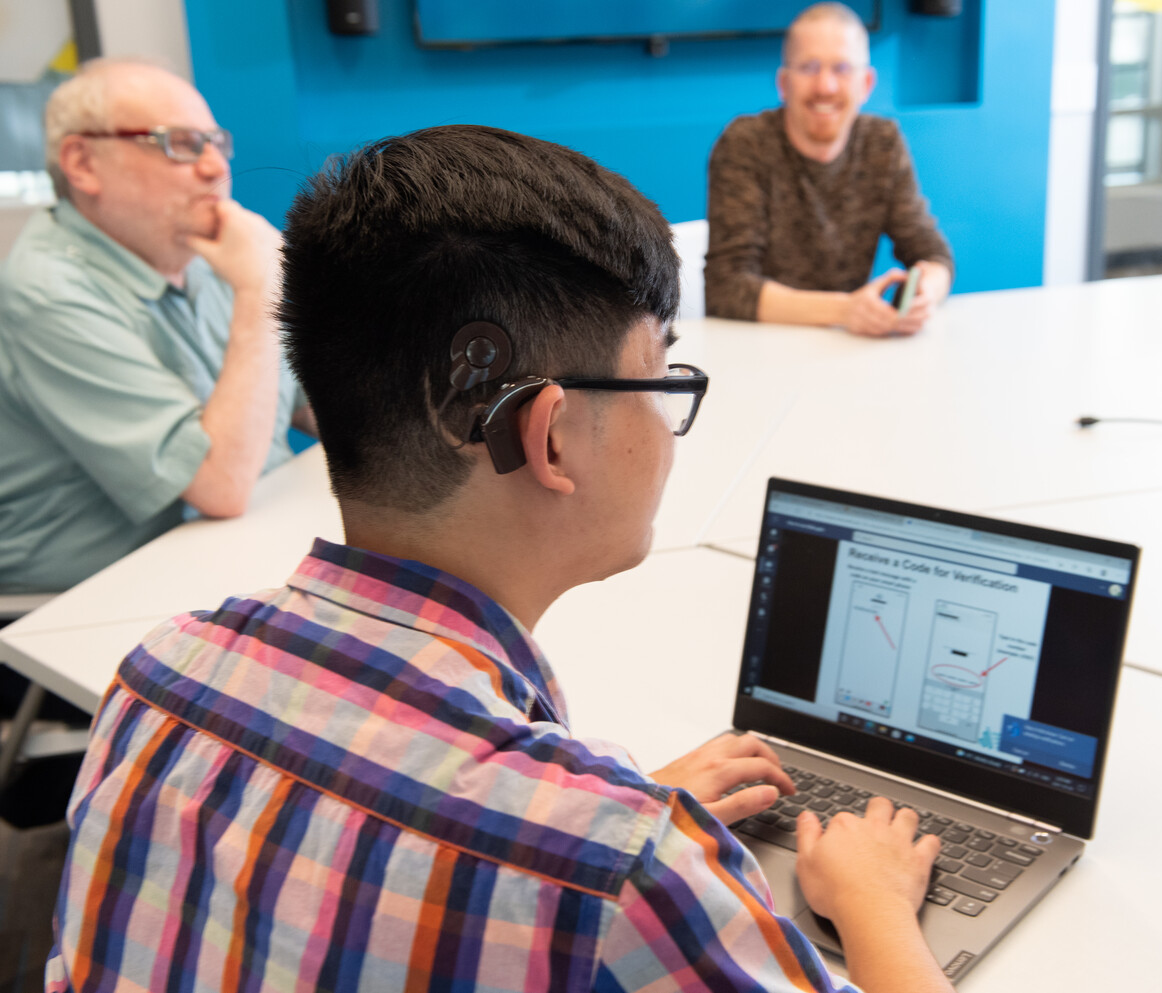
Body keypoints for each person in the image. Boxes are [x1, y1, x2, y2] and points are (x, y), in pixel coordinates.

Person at [47, 125, 951, 993]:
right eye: (663, 380)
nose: (672, 429)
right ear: (548, 437)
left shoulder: (160, 674)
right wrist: (871, 901)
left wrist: (603, 804)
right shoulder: (622, 872)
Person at [0, 59, 314, 594]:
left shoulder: (196, 250)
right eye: (181, 143)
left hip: (234, 549)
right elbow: (220, 486)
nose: (216, 167)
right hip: (94, 597)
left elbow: (320, 402)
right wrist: (260, 293)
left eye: (216, 142)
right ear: (82, 163)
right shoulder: (44, 291)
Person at [705, 3, 954, 336]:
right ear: (784, 83)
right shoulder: (745, 143)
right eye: (809, 67)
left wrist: (926, 293)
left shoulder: (884, 144)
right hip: (760, 346)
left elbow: (933, 253)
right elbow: (726, 288)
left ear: (866, 84)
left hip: (847, 349)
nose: (826, 86)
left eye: (842, 69)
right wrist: (846, 310)